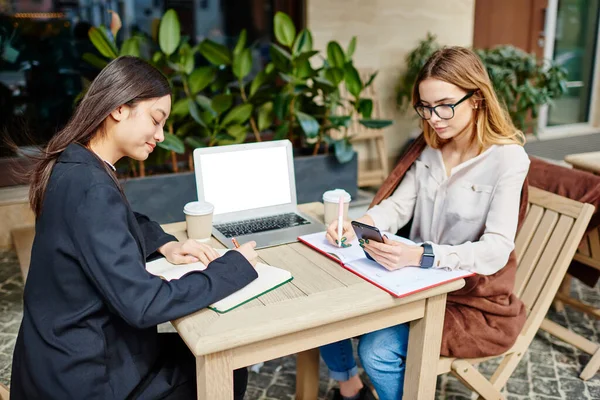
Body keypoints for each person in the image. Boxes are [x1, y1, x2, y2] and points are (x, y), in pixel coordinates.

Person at [10, 56, 259, 399]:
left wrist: (165, 244)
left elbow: (119, 221)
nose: (160, 134)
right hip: (86, 377)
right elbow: (143, 305)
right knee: (225, 366)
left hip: (52, 361)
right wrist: (235, 268)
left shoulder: (73, 163)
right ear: (119, 109)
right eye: (156, 120)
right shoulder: (92, 188)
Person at [321, 47, 530, 400]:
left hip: (466, 299)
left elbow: (496, 250)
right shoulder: (432, 148)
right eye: (425, 107)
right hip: (412, 281)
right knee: (325, 301)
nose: (434, 118)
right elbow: (399, 207)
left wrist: (421, 256)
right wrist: (358, 224)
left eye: (445, 105)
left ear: (476, 98)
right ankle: (351, 390)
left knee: (378, 351)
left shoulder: (507, 159)